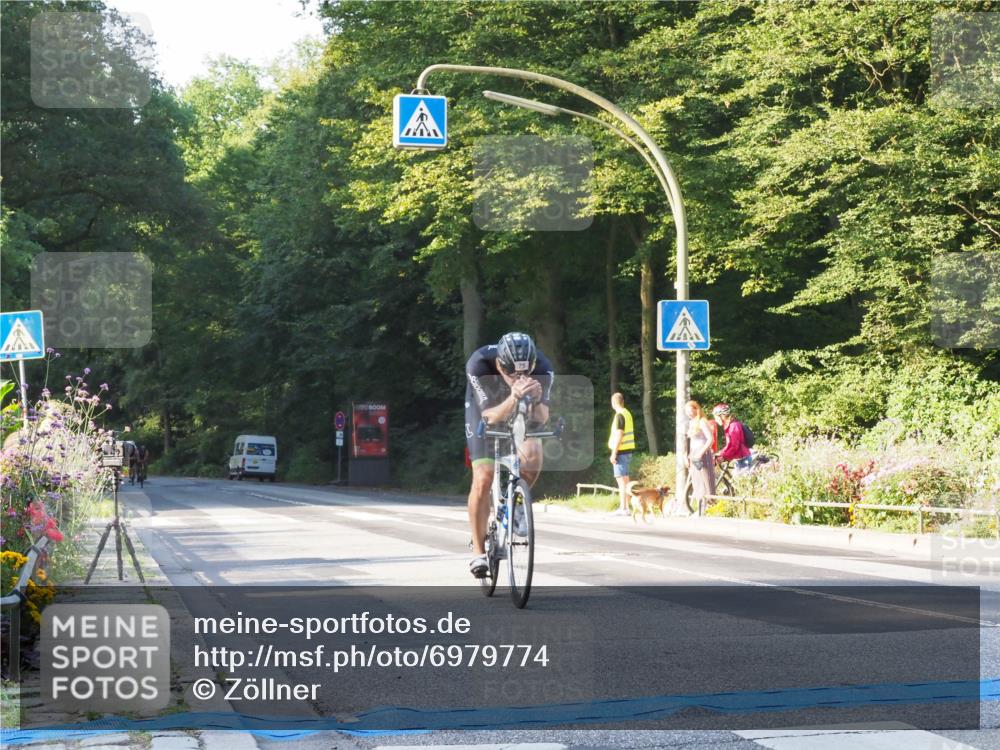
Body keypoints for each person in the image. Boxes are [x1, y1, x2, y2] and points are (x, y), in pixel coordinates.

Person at [465, 332, 554, 578]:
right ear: (500, 366)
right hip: (487, 409)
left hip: (523, 407)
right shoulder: (479, 363)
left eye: (525, 372)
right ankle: (478, 552)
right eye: (513, 373)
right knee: (483, 477)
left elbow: (542, 417)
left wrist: (535, 399)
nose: (520, 377)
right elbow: (490, 417)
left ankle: (516, 503)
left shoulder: (543, 368)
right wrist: (514, 395)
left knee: (534, 453)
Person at [608, 393, 635, 515]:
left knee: (621, 482)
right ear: (623, 401)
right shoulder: (627, 413)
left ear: (613, 403)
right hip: (627, 450)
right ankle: (627, 508)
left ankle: (623, 508)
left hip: (621, 451)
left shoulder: (619, 415)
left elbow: (619, 434)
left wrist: (614, 453)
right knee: (626, 481)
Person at [686, 400, 716, 505]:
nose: (689, 414)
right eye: (687, 412)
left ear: (696, 409)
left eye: (690, 411)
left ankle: (710, 503)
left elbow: (710, 439)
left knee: (706, 478)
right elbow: (690, 442)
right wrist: (688, 456)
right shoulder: (691, 422)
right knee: (696, 479)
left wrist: (701, 452)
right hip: (694, 453)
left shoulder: (702, 421)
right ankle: (700, 505)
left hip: (703, 453)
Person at [712, 403, 752, 471]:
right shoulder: (729, 426)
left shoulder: (733, 426)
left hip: (743, 459)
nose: (715, 420)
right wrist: (721, 453)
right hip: (739, 459)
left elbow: (734, 446)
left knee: (740, 480)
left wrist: (724, 457)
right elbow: (729, 445)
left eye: (716, 417)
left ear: (722, 416)